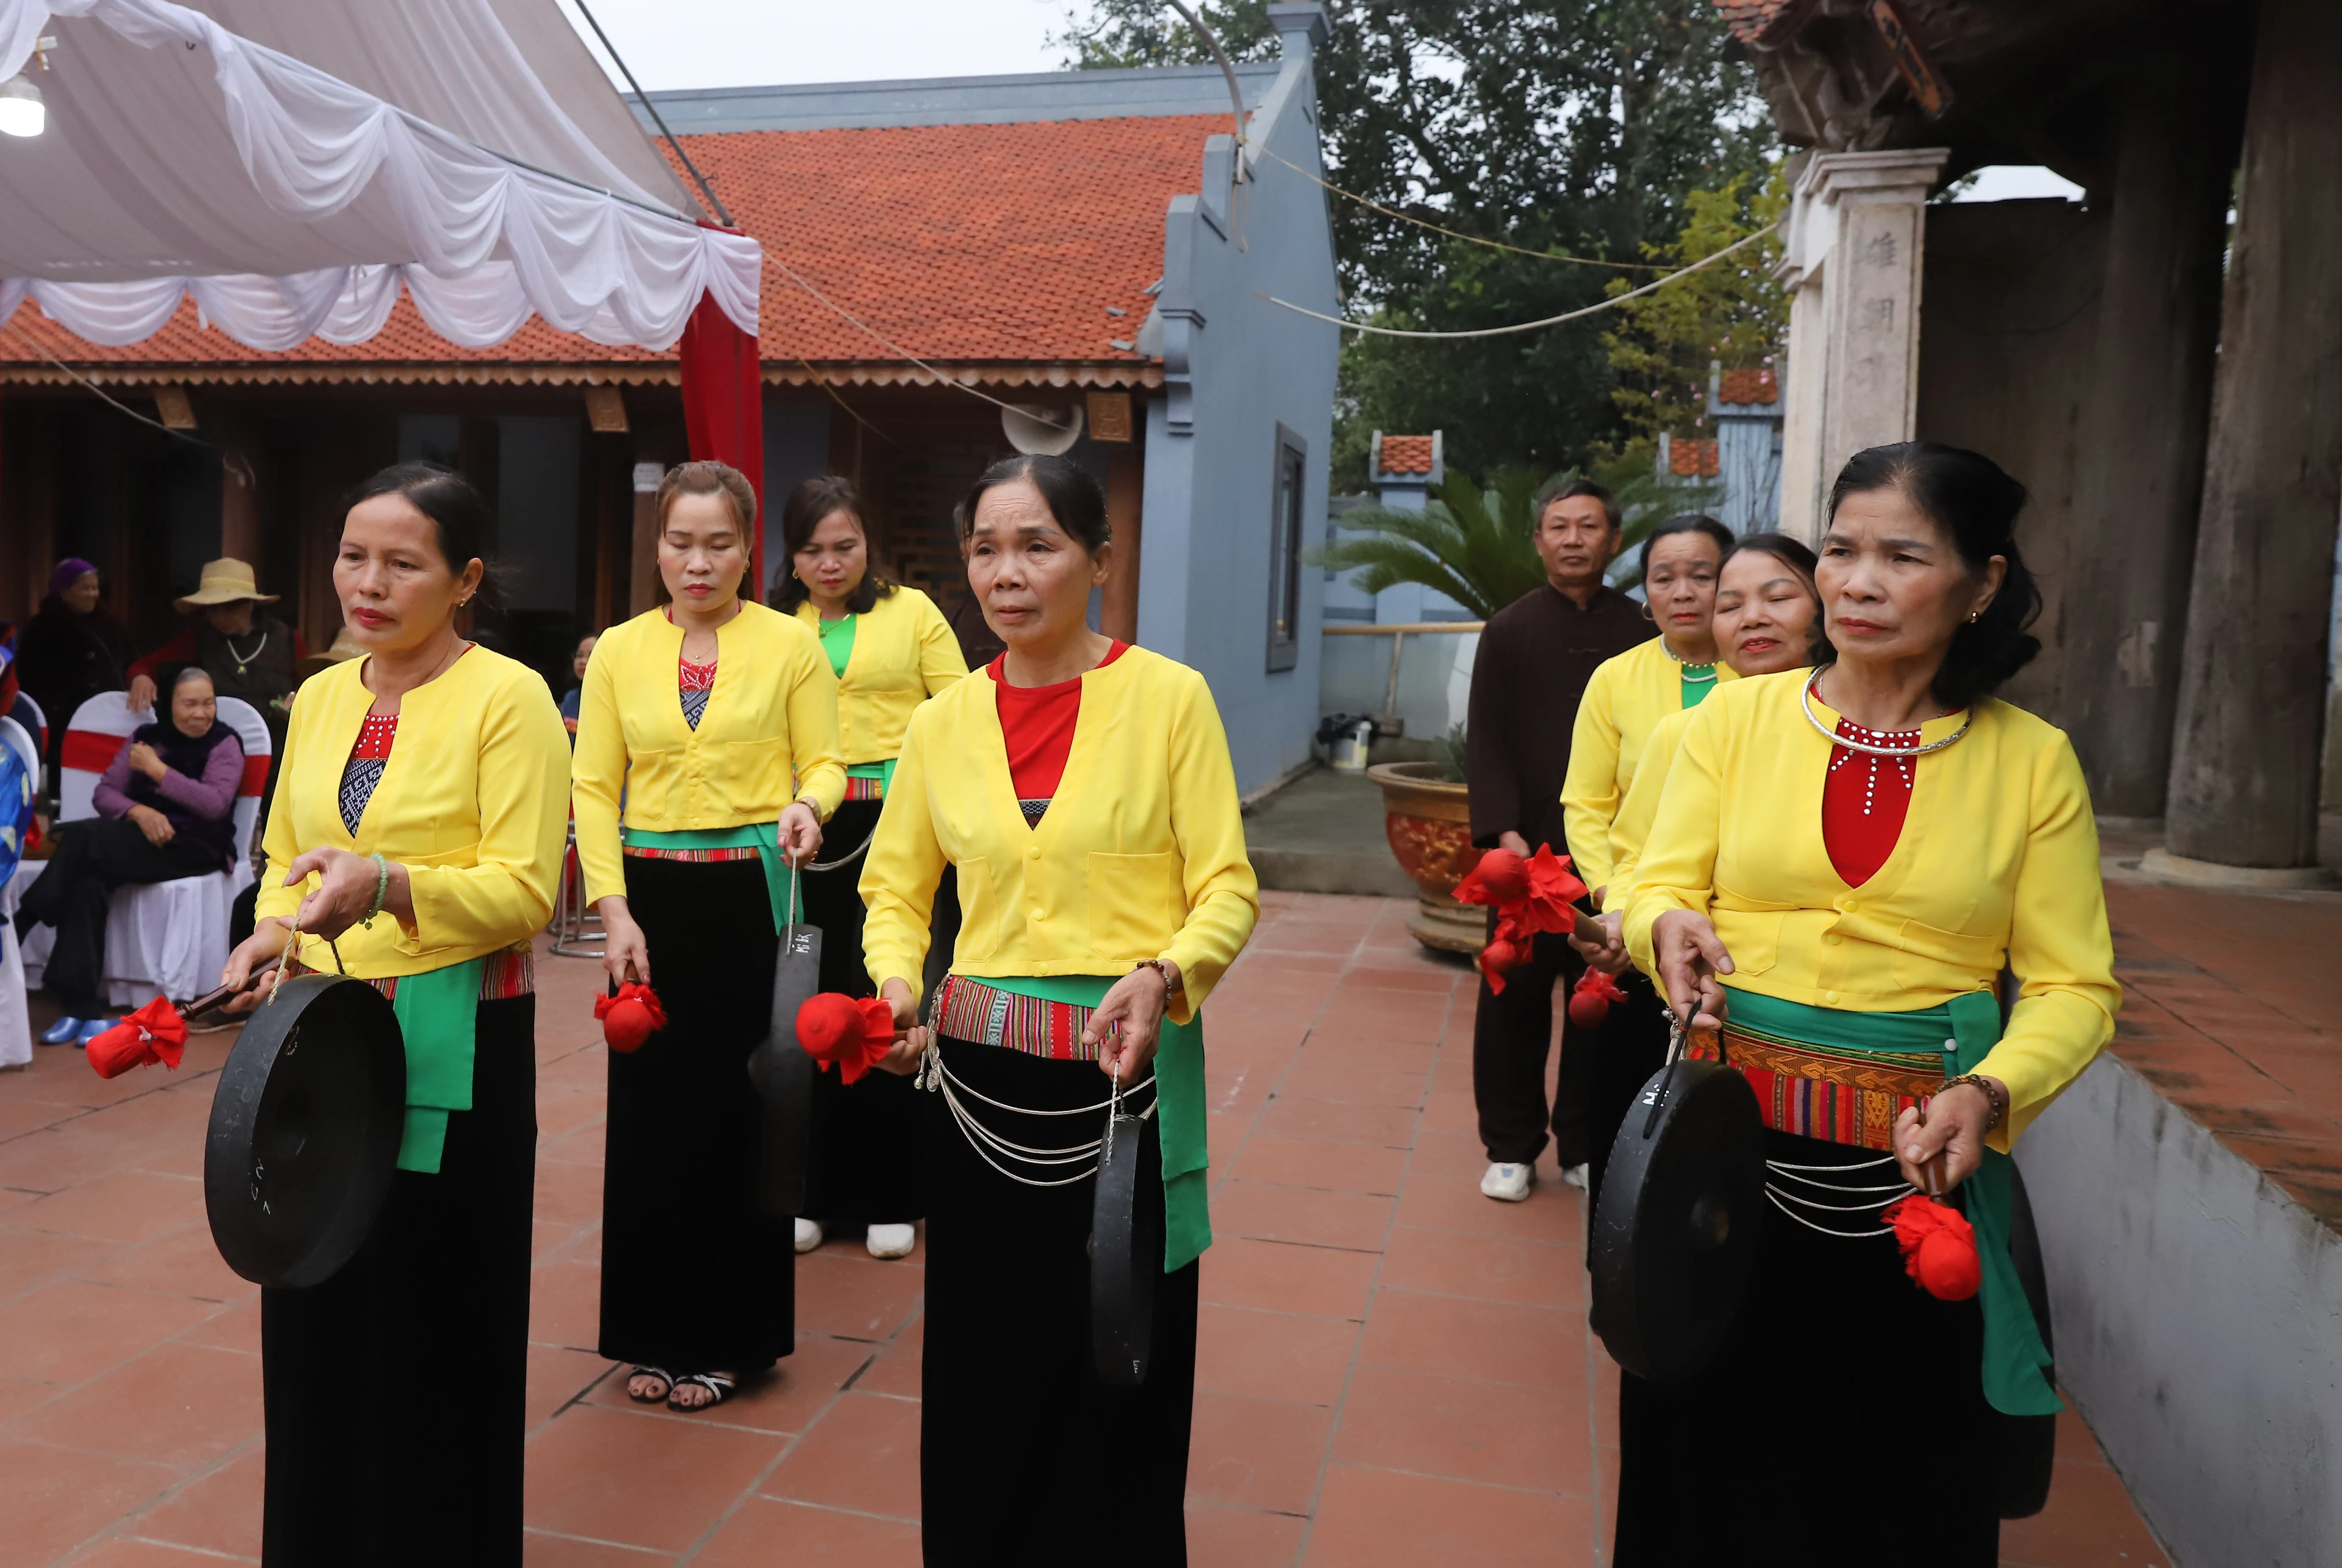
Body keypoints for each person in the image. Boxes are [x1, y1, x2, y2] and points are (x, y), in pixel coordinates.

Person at [1618, 443, 2120, 1567]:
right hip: (1719, 1160)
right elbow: (1656, 882)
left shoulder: (2030, 763)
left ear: (1981, 583)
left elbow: (2073, 986)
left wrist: (1991, 1090)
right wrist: (1662, 926)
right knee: (1701, 1470)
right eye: (1841, 550)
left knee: (1894, 1485)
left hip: (1914, 1176)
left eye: (1902, 556)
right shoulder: (1729, 724)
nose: (1857, 582)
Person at [857, 453, 1257, 1564]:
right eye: (985, 549)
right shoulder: (942, 721)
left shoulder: (1169, 699)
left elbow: (1226, 885)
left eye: (1037, 545)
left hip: (1123, 1077)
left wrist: (1166, 972)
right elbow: (896, 889)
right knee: (983, 1362)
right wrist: (896, 983)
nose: (1007, 573)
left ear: (1100, 561)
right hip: (976, 1091)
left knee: (1117, 1357)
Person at [216, 461, 569, 1567]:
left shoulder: (509, 697)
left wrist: (389, 884)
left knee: (433, 1318)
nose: (367, 583)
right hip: (320, 1039)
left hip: (455, 1039)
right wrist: (270, 933)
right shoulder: (323, 695)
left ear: (464, 579)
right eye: (352, 556)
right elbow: (284, 856)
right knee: (314, 1299)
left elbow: (525, 889)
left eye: (401, 563)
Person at [572, 460, 845, 1414]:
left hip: (748, 897)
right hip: (648, 900)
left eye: (719, 544)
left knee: (743, 1114)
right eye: (680, 542)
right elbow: (593, 788)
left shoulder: (790, 645)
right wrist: (612, 910)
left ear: (748, 548)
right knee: (650, 1114)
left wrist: (811, 804)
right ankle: (648, 1329)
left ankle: (732, 1337)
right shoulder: (618, 650)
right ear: (657, 546)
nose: (698, 562)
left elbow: (825, 761)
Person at [771, 475, 967, 1261]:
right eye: (812, 549)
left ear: (867, 543)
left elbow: (964, 713)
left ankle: (893, 1194)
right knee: (808, 1011)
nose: (830, 562)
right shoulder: (770, 626)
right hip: (803, 837)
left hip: (899, 824)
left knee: (890, 1000)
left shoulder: (913, 612)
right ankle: (812, 1193)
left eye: (844, 545)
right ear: (790, 555)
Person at [1540, 512, 1738, 1203]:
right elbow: (1586, 803)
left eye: (1702, 575)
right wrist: (1613, 902)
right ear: (1645, 592)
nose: (1682, 591)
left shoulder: (1766, 681)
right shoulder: (1615, 679)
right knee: (1626, 1101)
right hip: (1632, 923)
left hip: (1733, 928)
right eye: (1664, 577)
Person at [1462, 479, 1648, 1206]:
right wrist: (1506, 837)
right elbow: (1486, 738)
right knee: (1511, 999)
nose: (1573, 539)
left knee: (1601, 1002)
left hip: (1614, 860)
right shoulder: (1507, 630)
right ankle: (1509, 1146)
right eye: (1558, 526)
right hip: (1527, 853)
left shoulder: (1643, 631)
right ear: (1537, 540)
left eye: (1588, 526)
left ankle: (1584, 1142)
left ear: (1614, 540)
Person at [1599, 532, 1830, 910]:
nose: (1752, 619)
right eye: (1729, 607)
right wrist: (1624, 918)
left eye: (1778, 599)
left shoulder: (1877, 725)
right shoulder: (1682, 734)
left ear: (1827, 607)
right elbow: (1637, 864)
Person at [14, 666, 243, 1044]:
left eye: (208, 703)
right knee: (87, 881)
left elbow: (215, 804)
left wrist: (158, 771)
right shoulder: (145, 739)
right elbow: (105, 794)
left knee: (84, 836)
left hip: (195, 847)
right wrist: (139, 812)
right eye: (189, 704)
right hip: (141, 840)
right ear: (167, 704)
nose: (201, 713)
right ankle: (81, 1009)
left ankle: (23, 921)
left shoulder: (225, 744)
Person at [126, 556, 310, 727]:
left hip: (280, 741)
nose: (220, 617)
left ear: (250, 604)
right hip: (218, 741)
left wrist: (297, 700)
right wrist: (142, 677)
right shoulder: (200, 638)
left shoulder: (287, 639)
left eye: (230, 607)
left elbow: (312, 684)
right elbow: (146, 666)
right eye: (213, 608)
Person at [14, 558, 131, 783]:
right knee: (70, 778)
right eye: (86, 588)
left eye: (95, 588)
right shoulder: (41, 629)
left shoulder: (111, 624)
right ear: (65, 593)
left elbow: (129, 662)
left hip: (109, 717)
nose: (94, 594)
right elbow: (29, 678)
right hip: (62, 721)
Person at [557, 632, 597, 733]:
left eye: (591, 655)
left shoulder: (615, 699)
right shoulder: (571, 698)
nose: (583, 661)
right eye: (579, 656)